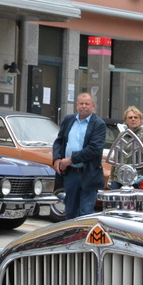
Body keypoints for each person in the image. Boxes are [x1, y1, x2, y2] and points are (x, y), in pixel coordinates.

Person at [51, 91, 106, 219]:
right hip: (71, 174)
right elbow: (59, 141)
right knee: (70, 212)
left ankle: (84, 238)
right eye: (81, 103)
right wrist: (57, 159)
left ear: (93, 106)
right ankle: (70, 238)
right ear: (77, 105)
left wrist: (71, 159)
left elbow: (94, 149)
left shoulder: (99, 124)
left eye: (87, 104)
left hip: (88, 174)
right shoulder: (69, 120)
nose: (84, 106)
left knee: (85, 213)